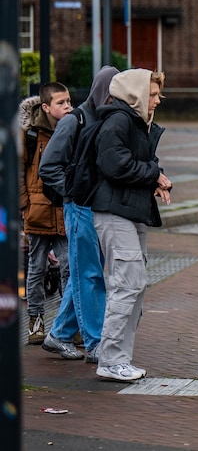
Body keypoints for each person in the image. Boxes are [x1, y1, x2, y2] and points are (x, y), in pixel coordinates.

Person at [89, 68, 171, 382]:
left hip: (128, 210)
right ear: (135, 93)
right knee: (127, 285)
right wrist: (154, 175)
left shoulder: (133, 121)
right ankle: (110, 359)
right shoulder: (118, 120)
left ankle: (120, 358)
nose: (157, 100)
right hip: (114, 211)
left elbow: (128, 164)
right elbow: (113, 164)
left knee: (134, 285)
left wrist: (153, 178)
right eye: (152, 94)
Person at [39, 66, 120, 362]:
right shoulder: (75, 121)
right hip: (80, 206)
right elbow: (48, 167)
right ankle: (95, 342)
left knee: (85, 273)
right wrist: (73, 192)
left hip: (92, 205)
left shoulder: (103, 116)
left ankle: (59, 334)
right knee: (89, 273)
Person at [19, 82, 74, 346]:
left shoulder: (74, 128)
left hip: (64, 211)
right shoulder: (30, 135)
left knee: (68, 266)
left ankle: (66, 322)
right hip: (38, 212)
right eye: (61, 103)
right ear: (46, 107)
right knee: (36, 268)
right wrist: (25, 206)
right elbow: (20, 173)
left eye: (69, 102)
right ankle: (36, 320)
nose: (68, 107)